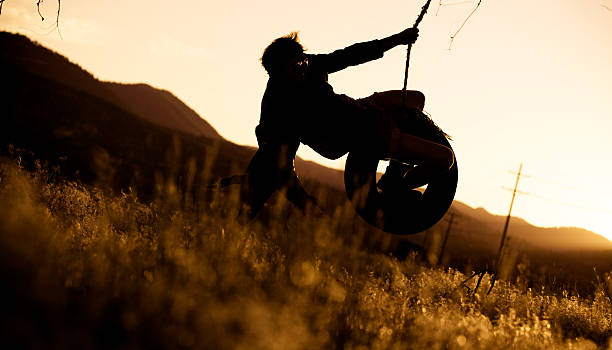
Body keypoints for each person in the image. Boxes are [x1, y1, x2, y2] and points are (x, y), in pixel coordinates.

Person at [240, 28, 454, 219]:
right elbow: (280, 164)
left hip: (358, 108)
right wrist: (305, 203)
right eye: (296, 65)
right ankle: (400, 185)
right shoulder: (280, 109)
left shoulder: (305, 65)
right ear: (278, 73)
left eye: (303, 60)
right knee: (445, 159)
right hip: (363, 134)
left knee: (417, 98)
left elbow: (349, 55)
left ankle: (394, 174)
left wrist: (398, 39)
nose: (303, 67)